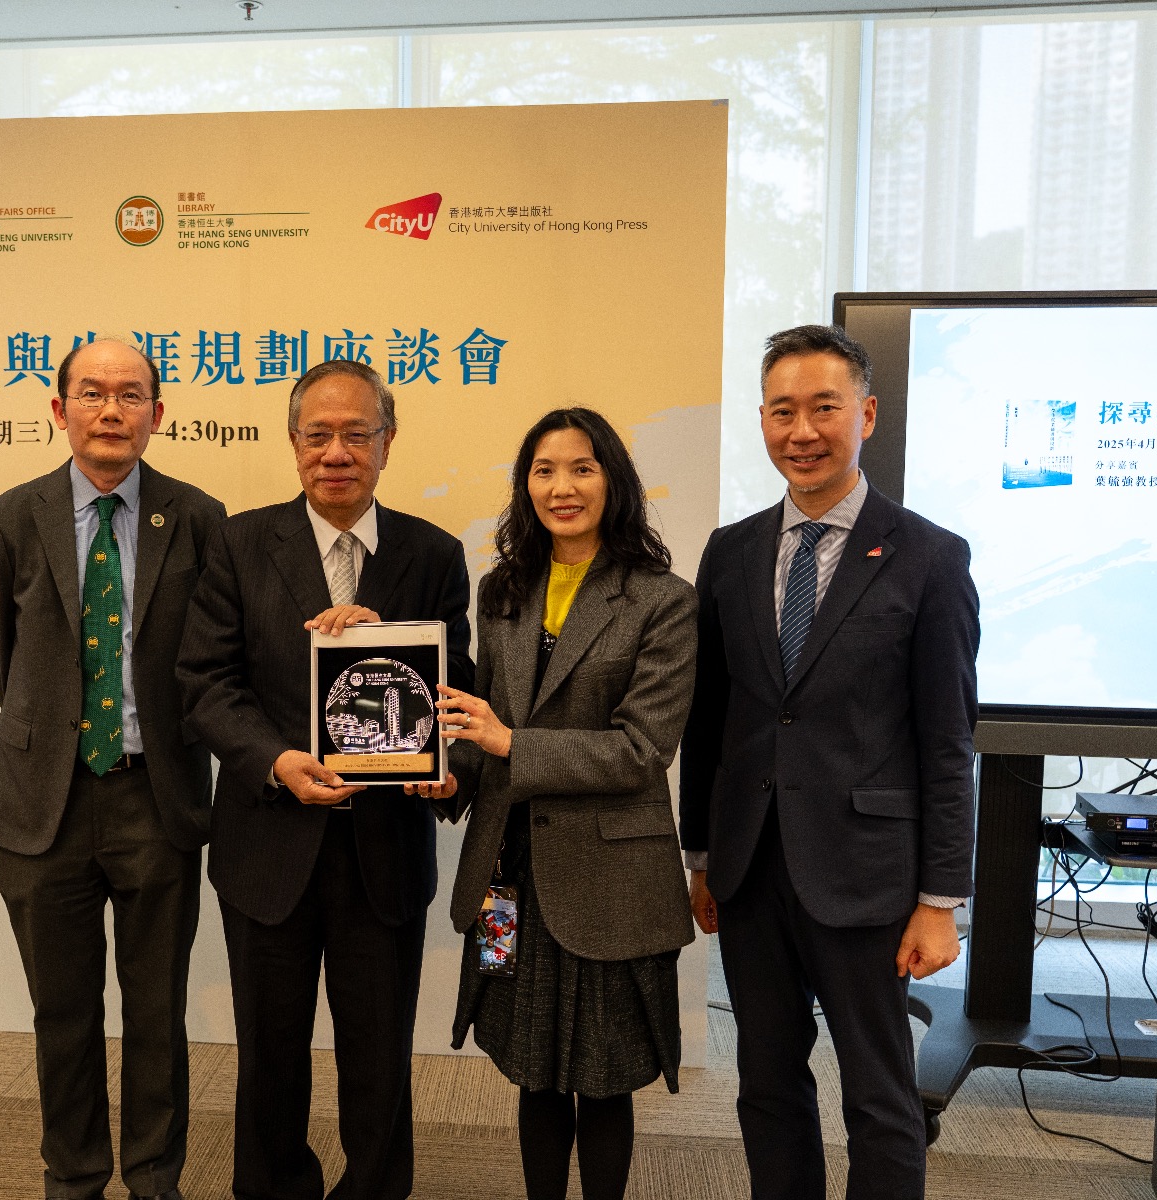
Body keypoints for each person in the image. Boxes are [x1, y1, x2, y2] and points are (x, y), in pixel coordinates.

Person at [679, 324, 979, 1200]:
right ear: (762, 421)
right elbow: (710, 718)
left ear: (867, 415)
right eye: (782, 412)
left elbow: (948, 742)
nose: (801, 431)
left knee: (879, 1096)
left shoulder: (929, 556)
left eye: (824, 408)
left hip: (867, 875)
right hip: (750, 868)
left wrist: (940, 901)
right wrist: (701, 856)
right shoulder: (731, 550)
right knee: (767, 1084)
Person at [175, 358, 474, 1200]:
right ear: (293, 441)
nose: (336, 452)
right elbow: (205, 682)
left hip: (384, 849)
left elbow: (458, 687)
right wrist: (276, 761)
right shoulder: (239, 543)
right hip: (268, 845)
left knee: (378, 1057)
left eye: (356, 434)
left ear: (387, 441)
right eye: (318, 435)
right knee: (269, 1056)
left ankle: (375, 1189)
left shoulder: (432, 553)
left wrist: (395, 658)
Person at [0, 336, 227, 1200]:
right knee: (62, 1012)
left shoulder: (198, 517)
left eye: (130, 394)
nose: (111, 410)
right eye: (91, 392)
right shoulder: (11, 516)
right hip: (42, 803)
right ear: (59, 410)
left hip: (157, 797)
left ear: (157, 414)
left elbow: (212, 653)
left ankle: (154, 1179)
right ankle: (74, 1178)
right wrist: (60, 731)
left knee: (157, 1010)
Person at [438, 407, 697, 1200]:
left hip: (609, 881)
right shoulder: (503, 590)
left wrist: (508, 743)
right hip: (508, 875)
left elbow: (640, 750)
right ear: (526, 485)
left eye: (582, 468)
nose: (562, 487)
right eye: (544, 470)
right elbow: (482, 723)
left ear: (613, 480)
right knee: (531, 1071)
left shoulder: (663, 600)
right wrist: (447, 774)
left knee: (605, 1079)